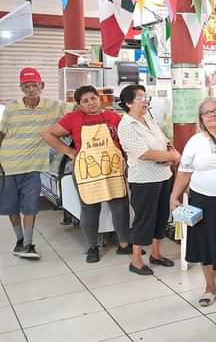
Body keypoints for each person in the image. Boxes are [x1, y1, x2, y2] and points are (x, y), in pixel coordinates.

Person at [42, 85, 132, 263]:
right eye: (85, 100)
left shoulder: (112, 116)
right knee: (90, 208)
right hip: (86, 171)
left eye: (93, 98)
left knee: (120, 206)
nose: (91, 103)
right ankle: (92, 247)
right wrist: (69, 151)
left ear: (99, 98)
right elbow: (48, 134)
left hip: (112, 168)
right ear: (79, 105)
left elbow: (125, 138)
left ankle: (124, 244)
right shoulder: (72, 118)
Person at [170, 98, 216, 307]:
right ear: (201, 119)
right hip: (203, 201)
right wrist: (174, 195)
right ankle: (211, 288)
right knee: (206, 246)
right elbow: (184, 172)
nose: (214, 114)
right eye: (208, 112)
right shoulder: (196, 141)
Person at [0, 68, 69, 259]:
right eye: (26, 86)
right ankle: (20, 241)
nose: (31, 89)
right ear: (21, 88)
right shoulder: (12, 108)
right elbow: (1, 134)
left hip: (33, 166)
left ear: (42, 86)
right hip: (7, 165)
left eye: (34, 85)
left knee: (30, 206)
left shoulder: (53, 106)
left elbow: (75, 109)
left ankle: (29, 244)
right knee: (11, 207)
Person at [118, 84, 179, 276]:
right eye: (140, 97)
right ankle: (136, 260)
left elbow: (164, 141)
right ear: (128, 103)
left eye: (146, 97)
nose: (145, 101)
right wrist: (171, 157)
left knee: (161, 217)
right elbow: (143, 153)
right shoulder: (126, 125)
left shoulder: (148, 119)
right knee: (144, 219)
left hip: (163, 175)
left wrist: (169, 152)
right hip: (143, 180)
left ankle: (156, 254)